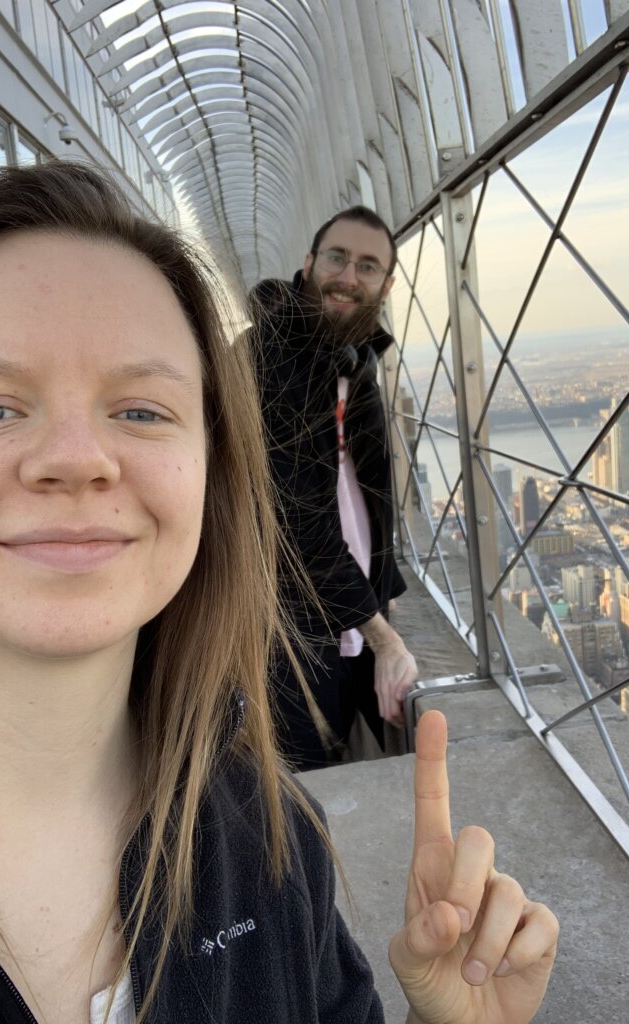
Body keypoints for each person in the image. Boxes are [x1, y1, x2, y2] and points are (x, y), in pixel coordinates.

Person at [0, 162, 558, 1023]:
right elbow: (304, 513)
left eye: (140, 411)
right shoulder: (283, 361)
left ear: (209, 475)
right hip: (311, 619)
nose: (75, 458)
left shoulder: (272, 841)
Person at [251, 207, 418, 770]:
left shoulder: (356, 356)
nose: (349, 276)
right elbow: (296, 523)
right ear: (308, 263)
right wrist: (386, 641)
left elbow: (367, 497)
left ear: (387, 284)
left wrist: (378, 610)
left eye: (367, 266)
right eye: (337, 257)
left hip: (347, 619)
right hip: (290, 633)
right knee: (303, 784)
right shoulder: (272, 356)